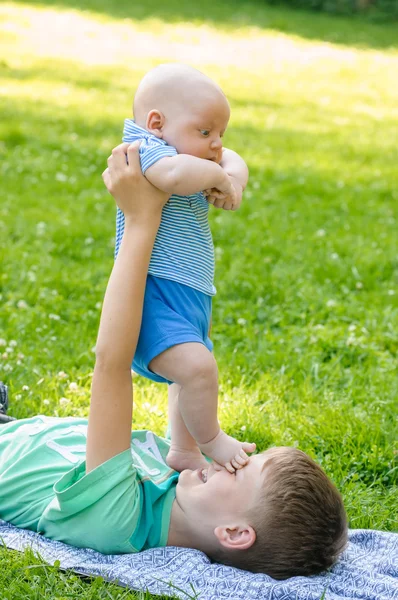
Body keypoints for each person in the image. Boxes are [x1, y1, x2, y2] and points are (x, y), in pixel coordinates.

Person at [0, 143, 347, 579]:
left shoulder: (117, 520)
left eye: (239, 471)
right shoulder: (178, 479)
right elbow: (189, 368)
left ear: (235, 533)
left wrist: (141, 221)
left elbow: (112, 363)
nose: (226, 459)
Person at [115, 63, 255, 474]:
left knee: (189, 378)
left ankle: (185, 451)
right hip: (152, 294)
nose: (217, 145)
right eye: (206, 132)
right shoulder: (146, 149)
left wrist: (234, 181)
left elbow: (233, 158)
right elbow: (174, 176)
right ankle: (213, 440)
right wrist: (217, 175)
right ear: (157, 122)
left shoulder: (188, 149)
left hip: (189, 294)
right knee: (197, 370)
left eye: (220, 133)